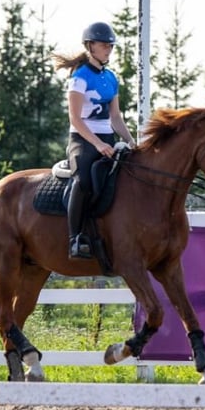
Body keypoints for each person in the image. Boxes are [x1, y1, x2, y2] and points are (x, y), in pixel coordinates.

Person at [53, 21, 137, 259]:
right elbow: (75, 119)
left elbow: (115, 117)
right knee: (84, 181)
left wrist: (131, 142)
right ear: (90, 46)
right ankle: (75, 239)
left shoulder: (111, 78)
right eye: (104, 46)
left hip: (107, 137)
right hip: (82, 139)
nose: (109, 50)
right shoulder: (79, 77)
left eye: (111, 46)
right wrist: (98, 145)